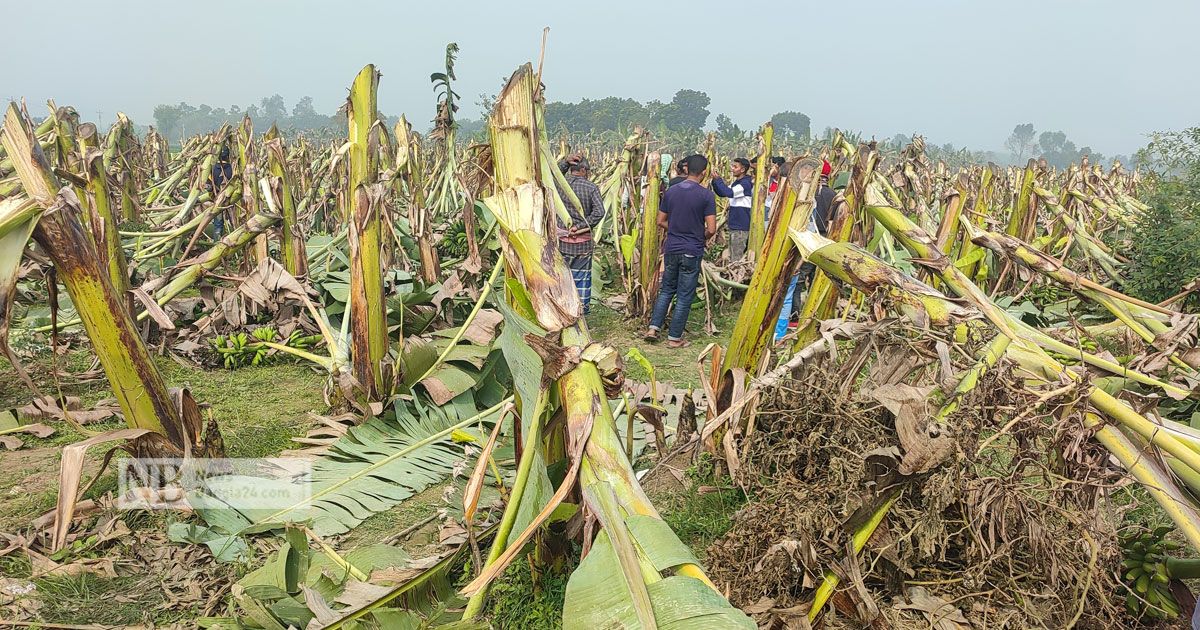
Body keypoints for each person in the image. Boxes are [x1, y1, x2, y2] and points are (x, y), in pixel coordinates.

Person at [644, 154, 716, 347]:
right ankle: (674, 338)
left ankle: (653, 328)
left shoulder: (672, 191)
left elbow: (660, 221)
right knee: (684, 294)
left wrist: (675, 228)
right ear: (703, 172)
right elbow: (711, 228)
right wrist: (700, 237)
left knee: (667, 289)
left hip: (672, 247)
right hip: (691, 249)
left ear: (685, 169)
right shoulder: (706, 195)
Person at [557, 156, 606, 315]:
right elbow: (599, 212)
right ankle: (580, 314)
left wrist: (564, 163)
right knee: (581, 280)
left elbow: (550, 174)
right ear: (584, 170)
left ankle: (563, 311)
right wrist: (580, 226)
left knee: (562, 279)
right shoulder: (591, 187)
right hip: (582, 244)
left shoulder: (560, 186)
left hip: (561, 241)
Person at [791, 159, 837, 317]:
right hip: (825, 239)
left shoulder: (807, 193)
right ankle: (814, 312)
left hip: (809, 237)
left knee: (799, 276)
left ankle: (795, 313)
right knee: (817, 276)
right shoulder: (833, 195)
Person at [711, 157, 754, 261]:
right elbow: (723, 193)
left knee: (737, 256)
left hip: (741, 225)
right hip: (735, 224)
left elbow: (729, 193)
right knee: (733, 253)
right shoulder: (736, 183)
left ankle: (738, 275)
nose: (732, 169)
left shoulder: (746, 184)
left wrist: (719, 180)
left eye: (735, 167)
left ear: (743, 169)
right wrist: (715, 182)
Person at [207, 146, 234, 236]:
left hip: (218, 200)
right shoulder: (233, 168)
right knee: (234, 223)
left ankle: (217, 242)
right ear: (228, 156)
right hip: (232, 201)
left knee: (218, 225)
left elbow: (209, 186)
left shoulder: (212, 169)